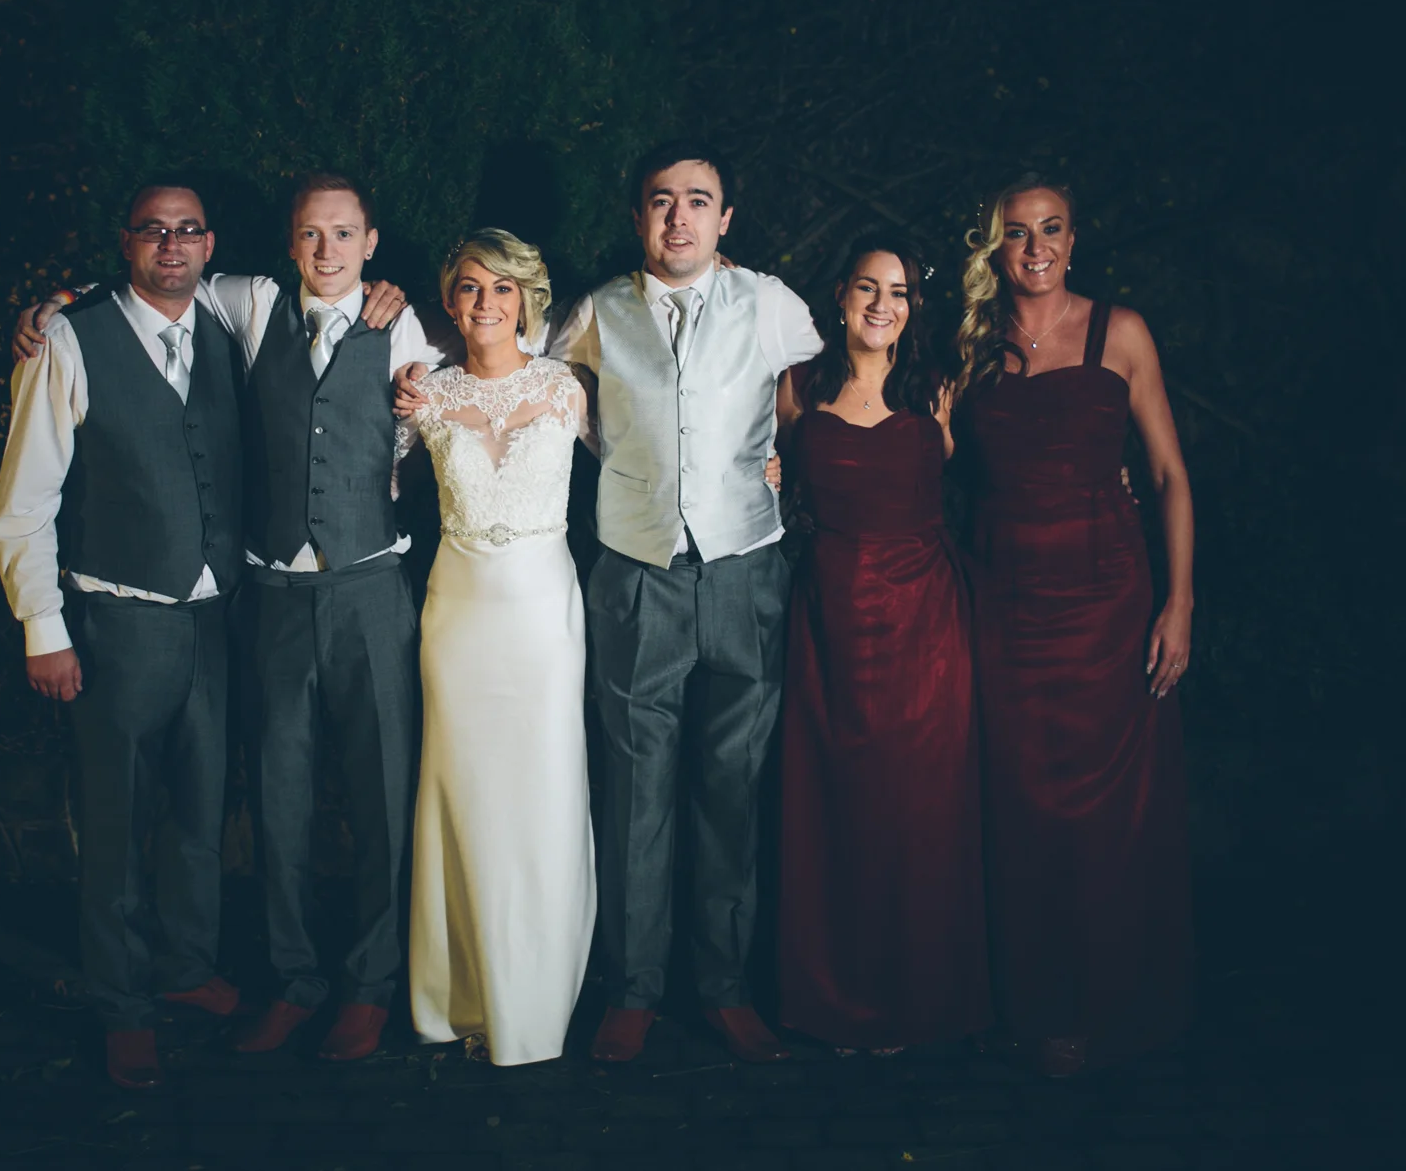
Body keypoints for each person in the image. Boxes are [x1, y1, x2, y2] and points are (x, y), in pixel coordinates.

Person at [400, 142, 822, 1063]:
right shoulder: (595, 313)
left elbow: (813, 404)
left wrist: (794, 465)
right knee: (634, 791)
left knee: (731, 788)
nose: (679, 216)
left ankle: (723, 989)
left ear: (725, 218)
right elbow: (500, 373)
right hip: (632, 573)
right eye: (661, 201)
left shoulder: (775, 306)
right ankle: (631, 990)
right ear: (638, 217)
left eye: (698, 201)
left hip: (747, 565)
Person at [15, 172, 444, 1062]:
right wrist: (54, 303)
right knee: (277, 805)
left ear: (371, 242)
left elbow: (441, 416)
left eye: (343, 234)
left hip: (368, 590)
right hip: (268, 598)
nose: (325, 250)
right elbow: (145, 290)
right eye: (308, 234)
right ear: (286, 243)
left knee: (381, 799)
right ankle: (291, 980)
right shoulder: (242, 306)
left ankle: (369, 987)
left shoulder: (403, 324)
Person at [0, 182, 247, 1089]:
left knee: (197, 811)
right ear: (126, 242)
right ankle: (120, 1002)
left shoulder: (226, 320)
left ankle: (183, 969)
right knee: (114, 820)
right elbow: (25, 502)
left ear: (209, 243)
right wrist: (43, 629)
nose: (170, 245)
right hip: (116, 619)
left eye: (186, 230)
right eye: (153, 230)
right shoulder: (68, 337)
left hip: (213, 620)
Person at [954, 176, 1196, 1076]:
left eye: (1050, 229)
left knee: (1105, 815)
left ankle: (1101, 1002)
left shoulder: (1119, 332)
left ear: (1073, 237)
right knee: (1016, 805)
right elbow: (922, 451)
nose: (1035, 247)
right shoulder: (971, 345)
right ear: (994, 246)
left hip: (1108, 605)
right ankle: (1028, 1000)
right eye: (1016, 232)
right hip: (1004, 602)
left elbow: (1168, 474)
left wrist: (1180, 602)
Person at [772, 237, 990, 1057]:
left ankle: (920, 993)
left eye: (897, 292)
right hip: (828, 621)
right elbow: (770, 483)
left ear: (911, 309)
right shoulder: (796, 390)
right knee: (835, 805)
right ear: (840, 297)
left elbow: (994, 473)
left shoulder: (938, 391)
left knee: (918, 807)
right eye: (867, 287)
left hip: (926, 627)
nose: (880, 304)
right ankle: (837, 996)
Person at [398, 230, 596, 1066]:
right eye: (471, 289)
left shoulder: (568, 390)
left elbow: (656, 459)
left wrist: (765, 462)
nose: (486, 304)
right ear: (450, 303)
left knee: (544, 794)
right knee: (463, 794)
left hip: (544, 617)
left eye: (503, 289)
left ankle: (538, 1000)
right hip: (458, 620)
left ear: (526, 299)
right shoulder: (424, 396)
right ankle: (461, 992)